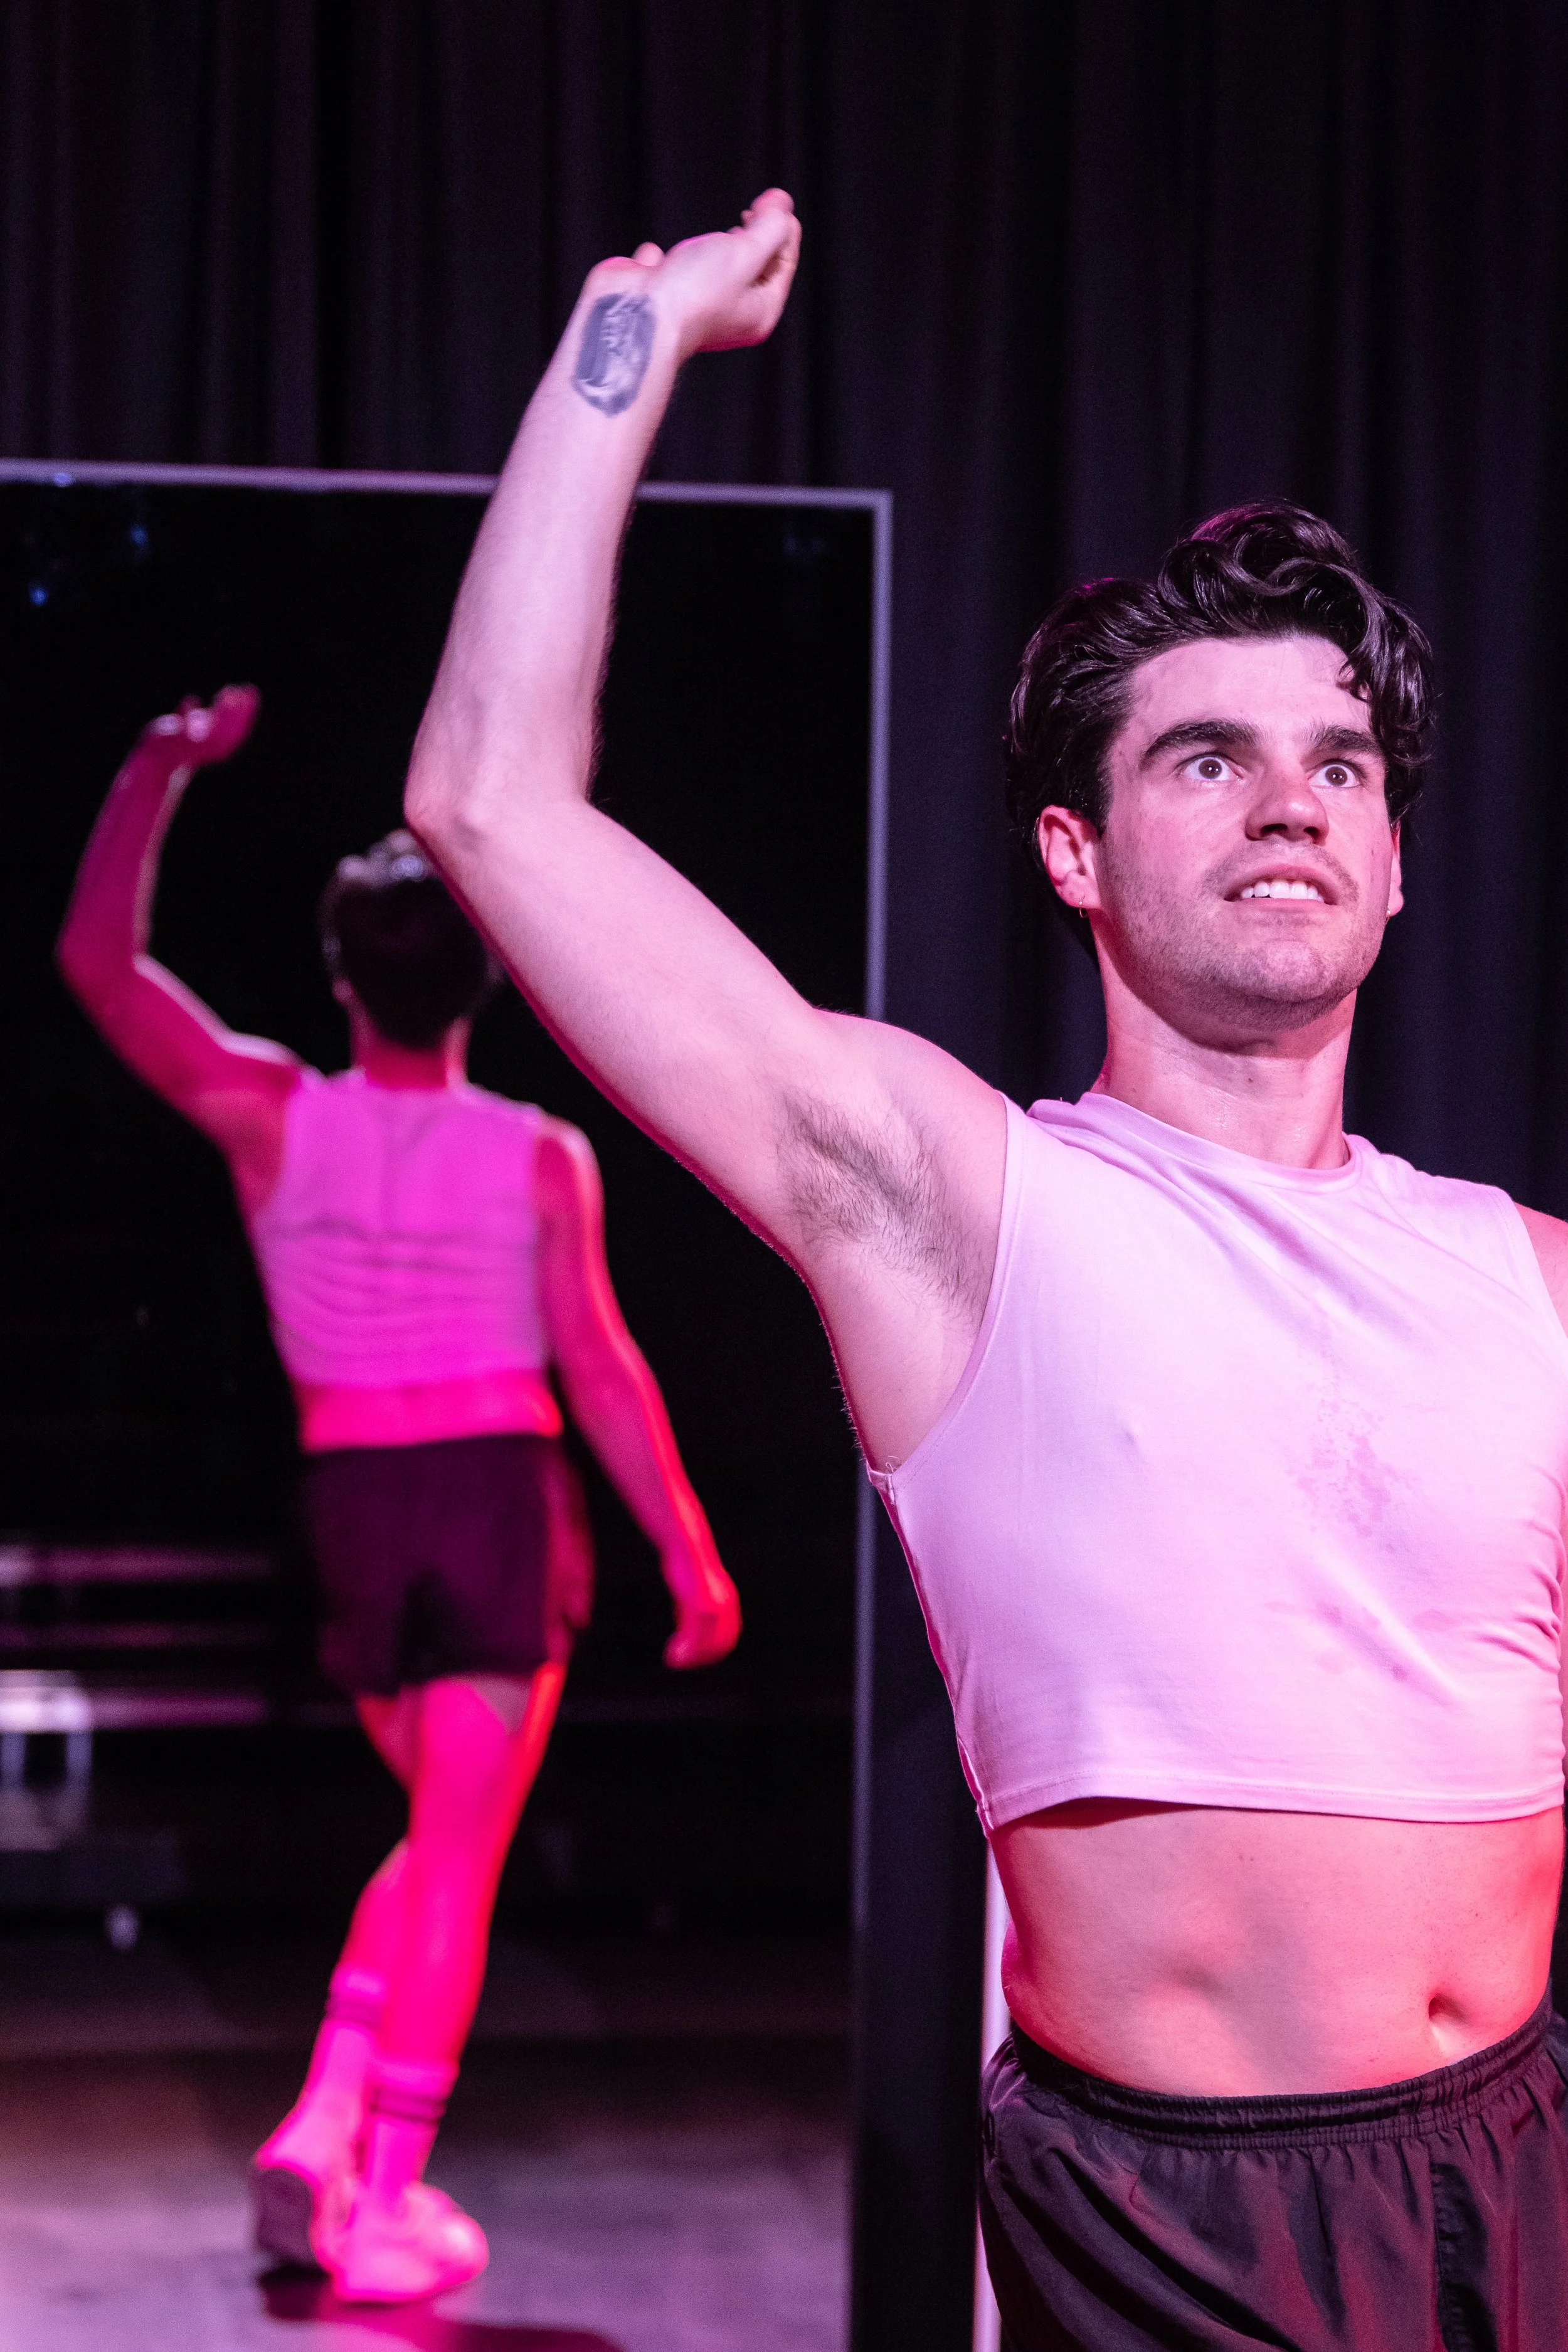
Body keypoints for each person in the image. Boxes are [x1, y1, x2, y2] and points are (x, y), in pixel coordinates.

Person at [396, 186, 1568, 2349]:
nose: (1288, 807)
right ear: (1076, 848)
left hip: (1521, 2171)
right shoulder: (962, 1205)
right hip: (1182, 2230)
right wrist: (622, 344)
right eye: (1204, 760)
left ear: (1398, 859)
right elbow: (491, 806)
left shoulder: (1528, 1278)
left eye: (1339, 768)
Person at [56, 700, 739, 2306]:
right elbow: (605, 1372)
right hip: (493, 1498)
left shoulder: (272, 1118)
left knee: (439, 1837)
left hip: (357, 1509)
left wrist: (154, 768)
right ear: (481, 986)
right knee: (453, 1855)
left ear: (347, 975)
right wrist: (686, 1555)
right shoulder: (532, 1154)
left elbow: (101, 968)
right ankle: (380, 2198)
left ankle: (318, 2124)